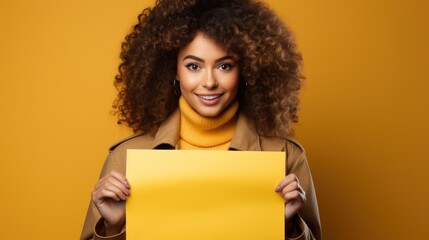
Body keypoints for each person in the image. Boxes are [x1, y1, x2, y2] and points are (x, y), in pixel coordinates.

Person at [81, 0, 321, 239]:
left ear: (245, 69)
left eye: (224, 66)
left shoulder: (285, 156)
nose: (209, 82)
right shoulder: (125, 158)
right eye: (194, 66)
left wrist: (289, 227)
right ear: (173, 70)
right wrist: (113, 226)